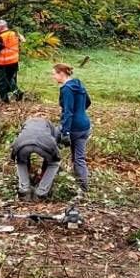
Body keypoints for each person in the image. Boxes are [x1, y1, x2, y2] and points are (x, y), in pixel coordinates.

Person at [54, 63, 92, 195]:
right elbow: (88, 102)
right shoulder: (78, 84)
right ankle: (83, 187)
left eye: (54, 73)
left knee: (52, 147)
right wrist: (80, 112)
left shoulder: (67, 89)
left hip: (74, 127)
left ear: (62, 74)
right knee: (79, 158)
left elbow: (68, 112)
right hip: (85, 126)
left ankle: (52, 177)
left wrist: (66, 133)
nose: (53, 77)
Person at [9, 115, 62, 200]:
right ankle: (41, 192)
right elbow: (54, 144)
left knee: (21, 162)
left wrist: (12, 157)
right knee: (53, 164)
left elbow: (17, 142)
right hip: (44, 144)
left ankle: (24, 189)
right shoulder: (50, 125)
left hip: (23, 145)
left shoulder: (26, 124)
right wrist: (57, 157)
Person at [0, 19, 23, 102]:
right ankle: (17, 93)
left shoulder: (1, 37)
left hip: (3, 62)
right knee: (10, 79)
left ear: (0, 27)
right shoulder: (14, 34)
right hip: (14, 61)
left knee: (2, 81)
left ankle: (4, 99)